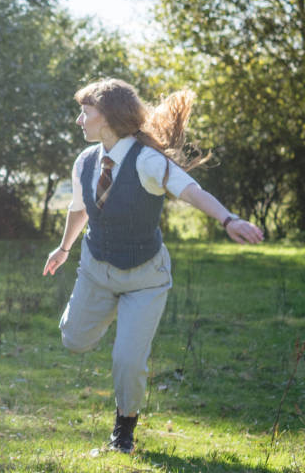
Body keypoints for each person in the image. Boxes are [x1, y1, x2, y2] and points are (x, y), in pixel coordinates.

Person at [42, 78, 264, 454]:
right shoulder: (85, 162)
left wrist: (229, 220)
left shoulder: (147, 160)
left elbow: (192, 190)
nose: (79, 121)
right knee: (74, 341)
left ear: (108, 118)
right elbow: (79, 208)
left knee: (127, 359)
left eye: (85, 113)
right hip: (96, 269)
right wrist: (64, 248)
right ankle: (103, 312)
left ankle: (123, 430)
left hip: (145, 278)